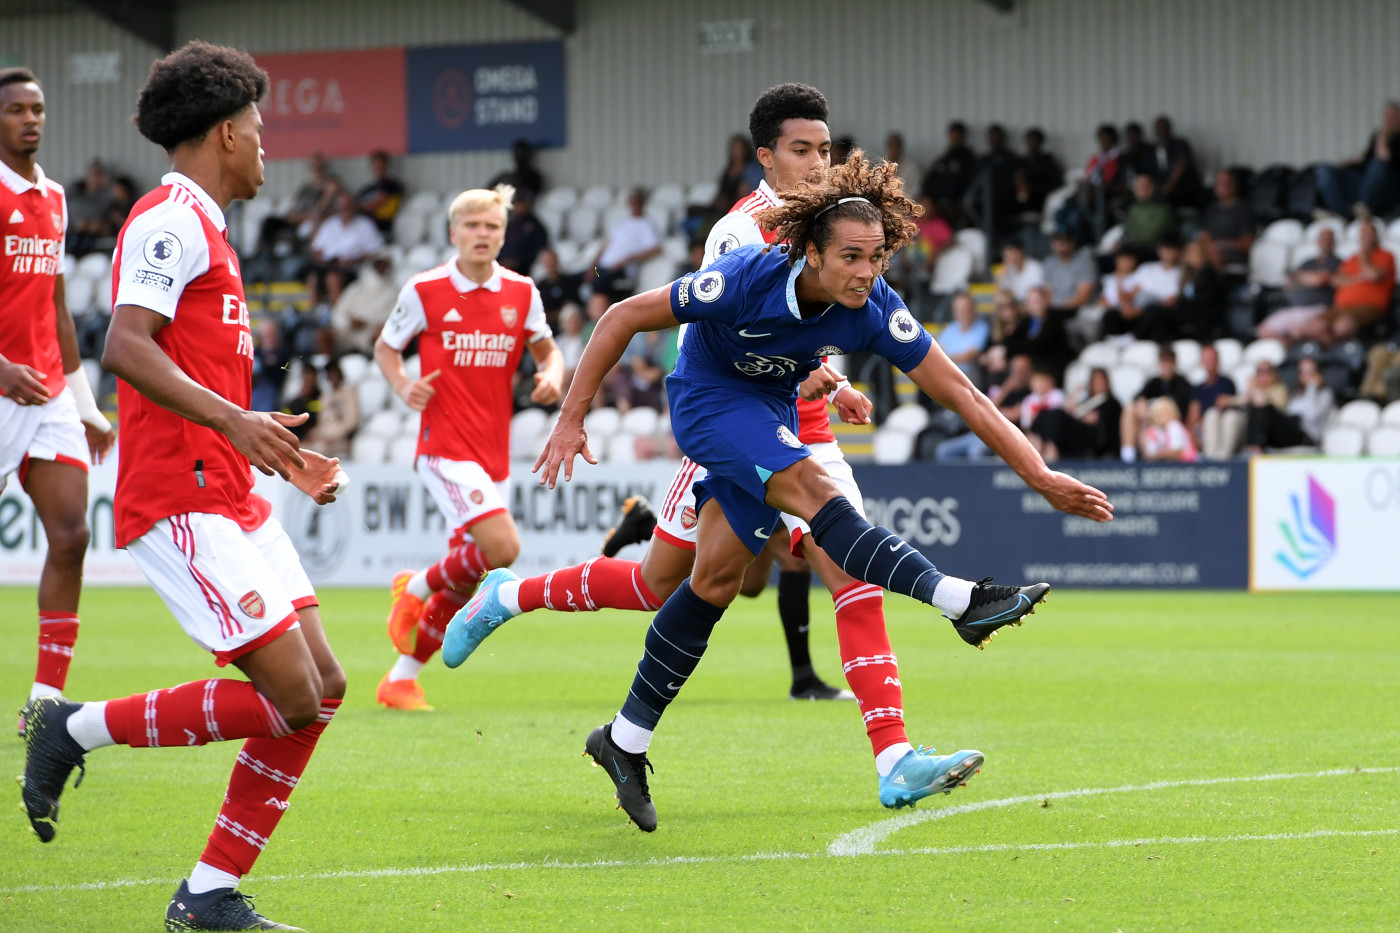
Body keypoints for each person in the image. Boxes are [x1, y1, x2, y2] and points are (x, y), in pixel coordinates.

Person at [529, 152, 1112, 832]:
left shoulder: (873, 307)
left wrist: (1038, 473)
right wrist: (572, 417)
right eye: (850, 257)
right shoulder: (744, 278)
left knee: (714, 580)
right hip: (708, 402)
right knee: (810, 486)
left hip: (770, 410)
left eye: (877, 256)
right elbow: (621, 317)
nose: (865, 271)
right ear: (809, 252)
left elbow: (962, 392)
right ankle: (960, 600)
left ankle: (623, 740)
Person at [18, 42, 346, 931]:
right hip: (180, 494)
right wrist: (238, 425)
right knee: (292, 695)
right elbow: (126, 345)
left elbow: (201, 372)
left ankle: (207, 892)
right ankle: (73, 727)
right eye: (261, 128)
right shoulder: (169, 218)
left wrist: (274, 451)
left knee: (323, 688)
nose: (268, 143)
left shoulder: (210, 226)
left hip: (232, 487)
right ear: (225, 132)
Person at [442, 84, 857, 710]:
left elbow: (814, 323)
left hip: (800, 423)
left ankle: (887, 744)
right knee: (663, 583)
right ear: (765, 157)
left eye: (825, 150)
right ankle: (510, 597)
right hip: (736, 420)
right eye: (803, 150)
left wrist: (834, 378)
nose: (819, 165)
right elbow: (721, 336)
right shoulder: (740, 231)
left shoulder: (828, 227)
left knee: (777, 576)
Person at [373, 184, 563, 711]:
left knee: (469, 574)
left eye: (492, 227)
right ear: (453, 232)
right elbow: (386, 347)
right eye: (473, 226)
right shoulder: (425, 289)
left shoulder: (522, 292)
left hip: (493, 451)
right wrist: (401, 385)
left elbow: (549, 350)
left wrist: (551, 375)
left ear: (503, 235)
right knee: (503, 549)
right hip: (444, 445)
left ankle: (402, 679)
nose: (483, 235)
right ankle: (412, 591)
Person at [1, 66, 115, 735]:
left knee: (71, 534)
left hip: (45, 393)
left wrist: (87, 404)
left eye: (37, 108)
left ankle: (45, 698)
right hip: (4, 384)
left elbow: (57, 307)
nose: (30, 119)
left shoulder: (55, 198)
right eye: (16, 109)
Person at [1294, 219, 1395, 347]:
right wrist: (1360, 277)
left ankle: (1336, 354)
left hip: (1369, 307)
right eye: (1363, 233)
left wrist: (1363, 256)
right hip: (1341, 307)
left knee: (1341, 326)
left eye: (1369, 233)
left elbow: (1372, 274)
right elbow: (1336, 280)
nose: (1365, 237)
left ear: (1376, 235)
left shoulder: (1386, 256)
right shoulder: (1351, 259)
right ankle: (1328, 353)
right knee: (1310, 326)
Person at [584, 186, 662, 322]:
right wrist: (592, 266)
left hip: (621, 269)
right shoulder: (621, 224)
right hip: (601, 268)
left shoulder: (646, 224)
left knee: (599, 284)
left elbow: (655, 249)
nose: (635, 205)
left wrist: (628, 259)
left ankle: (597, 318)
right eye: (633, 201)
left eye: (638, 201)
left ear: (642, 203)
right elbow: (605, 246)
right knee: (577, 278)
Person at [1314, 102, 1400, 218]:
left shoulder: (1384, 138)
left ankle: (1364, 209)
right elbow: (1366, 158)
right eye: (1386, 116)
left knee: (1379, 166)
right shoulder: (1377, 135)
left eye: (1392, 116)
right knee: (1323, 170)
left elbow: (1383, 159)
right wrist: (1346, 164)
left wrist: (1383, 137)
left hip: (1386, 188)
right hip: (1364, 181)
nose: (1388, 120)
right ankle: (1341, 213)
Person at [1256, 227, 1341, 342]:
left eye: (1327, 239)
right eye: (1322, 239)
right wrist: (1308, 278)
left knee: (1297, 331)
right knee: (1263, 330)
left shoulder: (1337, 262)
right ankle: (1286, 346)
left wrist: (1301, 277)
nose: (1324, 242)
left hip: (1319, 309)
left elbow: (1320, 280)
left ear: (1333, 242)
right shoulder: (1308, 262)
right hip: (1294, 309)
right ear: (1317, 241)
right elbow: (1289, 284)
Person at [1029, 366, 1122, 461]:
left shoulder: (1110, 402)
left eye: (1101, 380)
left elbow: (1098, 421)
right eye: (1096, 380)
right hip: (1074, 432)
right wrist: (1075, 394)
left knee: (1056, 415)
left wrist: (1083, 416)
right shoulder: (1086, 401)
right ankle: (1042, 445)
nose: (1099, 383)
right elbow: (1069, 410)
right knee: (1045, 414)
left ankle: (1051, 449)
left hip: (1090, 438)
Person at [1242, 356, 1332, 453]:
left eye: (1310, 371)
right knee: (1258, 409)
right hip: (1291, 433)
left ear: (1319, 373)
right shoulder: (1296, 395)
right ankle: (1252, 448)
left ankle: (1255, 448)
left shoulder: (1325, 394)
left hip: (1307, 438)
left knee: (1266, 408)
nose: (1306, 375)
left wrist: (1312, 387)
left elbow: (1312, 415)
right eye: (1303, 371)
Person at [1120, 345, 1192, 462]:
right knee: (1130, 409)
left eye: (1169, 363)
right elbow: (1138, 397)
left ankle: (1149, 459)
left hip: (1171, 427)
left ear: (1174, 364)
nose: (1166, 367)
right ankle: (1128, 455)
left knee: (1152, 429)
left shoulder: (1182, 384)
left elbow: (1179, 412)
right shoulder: (1155, 382)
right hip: (1153, 424)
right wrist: (1143, 403)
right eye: (1163, 363)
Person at [324, 247, 396, 356]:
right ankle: (327, 364)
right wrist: (349, 322)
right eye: (378, 265)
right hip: (348, 331)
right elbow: (338, 312)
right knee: (323, 335)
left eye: (384, 265)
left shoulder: (394, 292)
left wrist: (367, 322)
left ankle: (378, 366)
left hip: (371, 332)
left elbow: (392, 318)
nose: (381, 268)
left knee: (382, 335)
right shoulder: (356, 288)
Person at [1198, 168, 1255, 278]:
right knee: (1193, 252)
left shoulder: (1243, 210)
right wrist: (1209, 246)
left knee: (1211, 255)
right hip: (1211, 249)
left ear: (1234, 185)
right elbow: (1205, 235)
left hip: (1232, 253)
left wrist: (1222, 244)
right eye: (1218, 183)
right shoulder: (1212, 209)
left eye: (1225, 183)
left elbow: (1248, 243)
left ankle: (1217, 288)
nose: (1221, 186)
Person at [920, 120, 977, 228]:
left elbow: (971, 186)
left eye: (957, 135)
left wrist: (957, 205)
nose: (954, 138)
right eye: (952, 134)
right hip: (938, 207)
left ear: (962, 136)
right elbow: (928, 183)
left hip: (958, 208)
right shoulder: (944, 159)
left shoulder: (969, 159)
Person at [302, 357, 359, 458]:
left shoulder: (349, 393)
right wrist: (312, 435)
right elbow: (322, 422)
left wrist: (332, 437)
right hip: (323, 438)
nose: (333, 376)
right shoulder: (325, 396)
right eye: (330, 373)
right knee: (300, 447)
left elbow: (351, 422)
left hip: (341, 440)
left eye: (334, 372)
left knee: (318, 449)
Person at [1184, 344, 1236, 449]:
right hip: (1202, 431)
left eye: (1212, 359)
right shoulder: (1197, 389)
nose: (1210, 362)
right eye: (1207, 359)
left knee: (1213, 416)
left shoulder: (1227, 384)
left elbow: (1223, 404)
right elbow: (1193, 415)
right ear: (1202, 362)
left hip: (1220, 427)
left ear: (1218, 361)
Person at [936, 291, 990, 389]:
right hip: (947, 370)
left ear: (973, 309)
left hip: (967, 374)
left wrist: (945, 360)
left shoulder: (982, 327)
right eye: (959, 309)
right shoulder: (950, 329)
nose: (963, 312)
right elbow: (937, 351)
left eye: (966, 308)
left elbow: (970, 355)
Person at [497, 186, 549, 274]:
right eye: (516, 203)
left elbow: (537, 249)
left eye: (521, 203)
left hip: (523, 268)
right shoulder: (509, 223)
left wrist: (517, 261)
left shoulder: (535, 226)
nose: (518, 206)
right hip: (502, 265)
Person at [355, 149, 404, 235]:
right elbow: (354, 203)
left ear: (386, 166)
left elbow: (374, 205)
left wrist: (357, 206)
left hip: (380, 227)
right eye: (375, 165)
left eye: (381, 165)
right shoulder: (367, 189)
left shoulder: (392, 185)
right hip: (360, 225)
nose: (378, 168)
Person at [1139, 396, 1197, 461]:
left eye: (1167, 412)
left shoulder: (1175, 426)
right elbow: (1149, 454)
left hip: (1187, 465)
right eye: (1160, 412)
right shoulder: (1154, 430)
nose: (1163, 415)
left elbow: (1176, 453)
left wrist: (1157, 455)